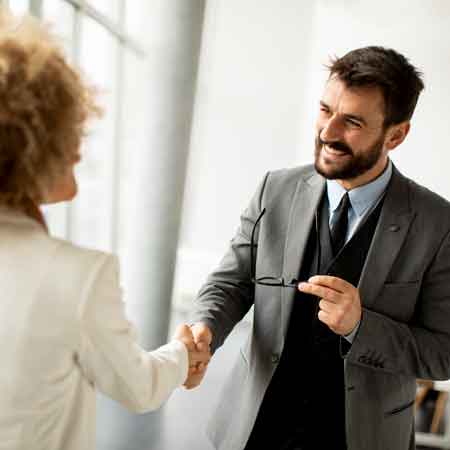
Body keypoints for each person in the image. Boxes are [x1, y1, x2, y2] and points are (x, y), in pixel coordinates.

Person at [187, 46, 450, 450]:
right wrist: (206, 326)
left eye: (353, 122)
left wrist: (362, 326)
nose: (328, 132)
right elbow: (232, 282)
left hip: (360, 437)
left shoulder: (438, 224)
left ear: (396, 135)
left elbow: (443, 352)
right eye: (325, 111)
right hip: (255, 428)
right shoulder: (274, 189)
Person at [0, 10, 209, 450]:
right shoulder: (77, 275)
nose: (80, 144)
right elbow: (139, 387)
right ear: (35, 141)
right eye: (72, 130)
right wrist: (183, 354)